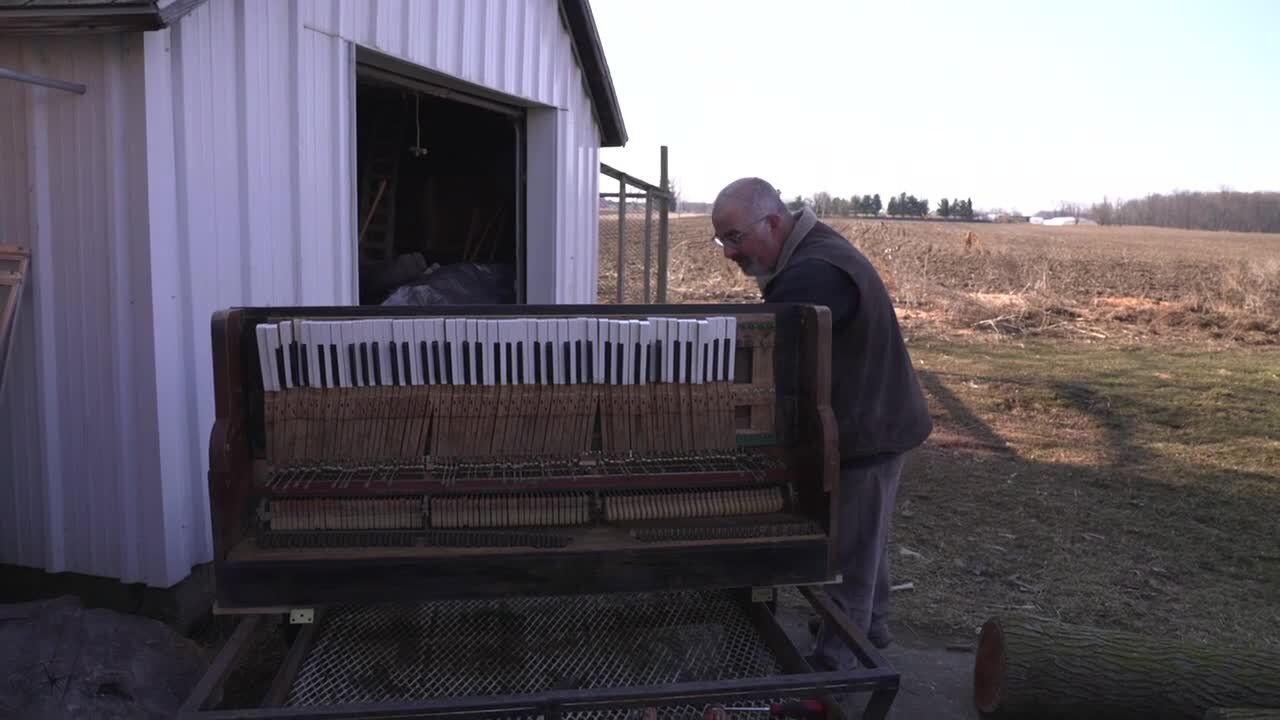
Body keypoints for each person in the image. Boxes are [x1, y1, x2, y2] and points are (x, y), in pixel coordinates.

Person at [711, 177, 933, 671]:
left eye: (735, 238)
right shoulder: (811, 252)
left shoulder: (814, 273)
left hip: (866, 429)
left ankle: (836, 669)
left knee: (848, 556)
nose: (729, 253)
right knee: (864, 536)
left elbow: (767, 364)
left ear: (772, 222)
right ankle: (870, 626)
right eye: (722, 240)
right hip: (876, 420)